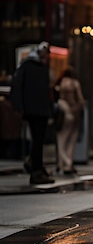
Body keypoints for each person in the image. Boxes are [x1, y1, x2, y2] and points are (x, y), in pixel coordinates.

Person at [9, 41, 55, 184]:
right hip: (37, 110)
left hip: (34, 109)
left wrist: (19, 106)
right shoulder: (33, 67)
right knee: (37, 140)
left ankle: (35, 165)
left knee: (37, 140)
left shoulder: (29, 66)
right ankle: (36, 170)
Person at [54, 66, 85, 175]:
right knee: (71, 141)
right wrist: (75, 109)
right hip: (74, 114)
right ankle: (68, 164)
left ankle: (61, 164)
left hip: (63, 113)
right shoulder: (75, 83)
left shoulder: (60, 84)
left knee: (61, 139)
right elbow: (81, 100)